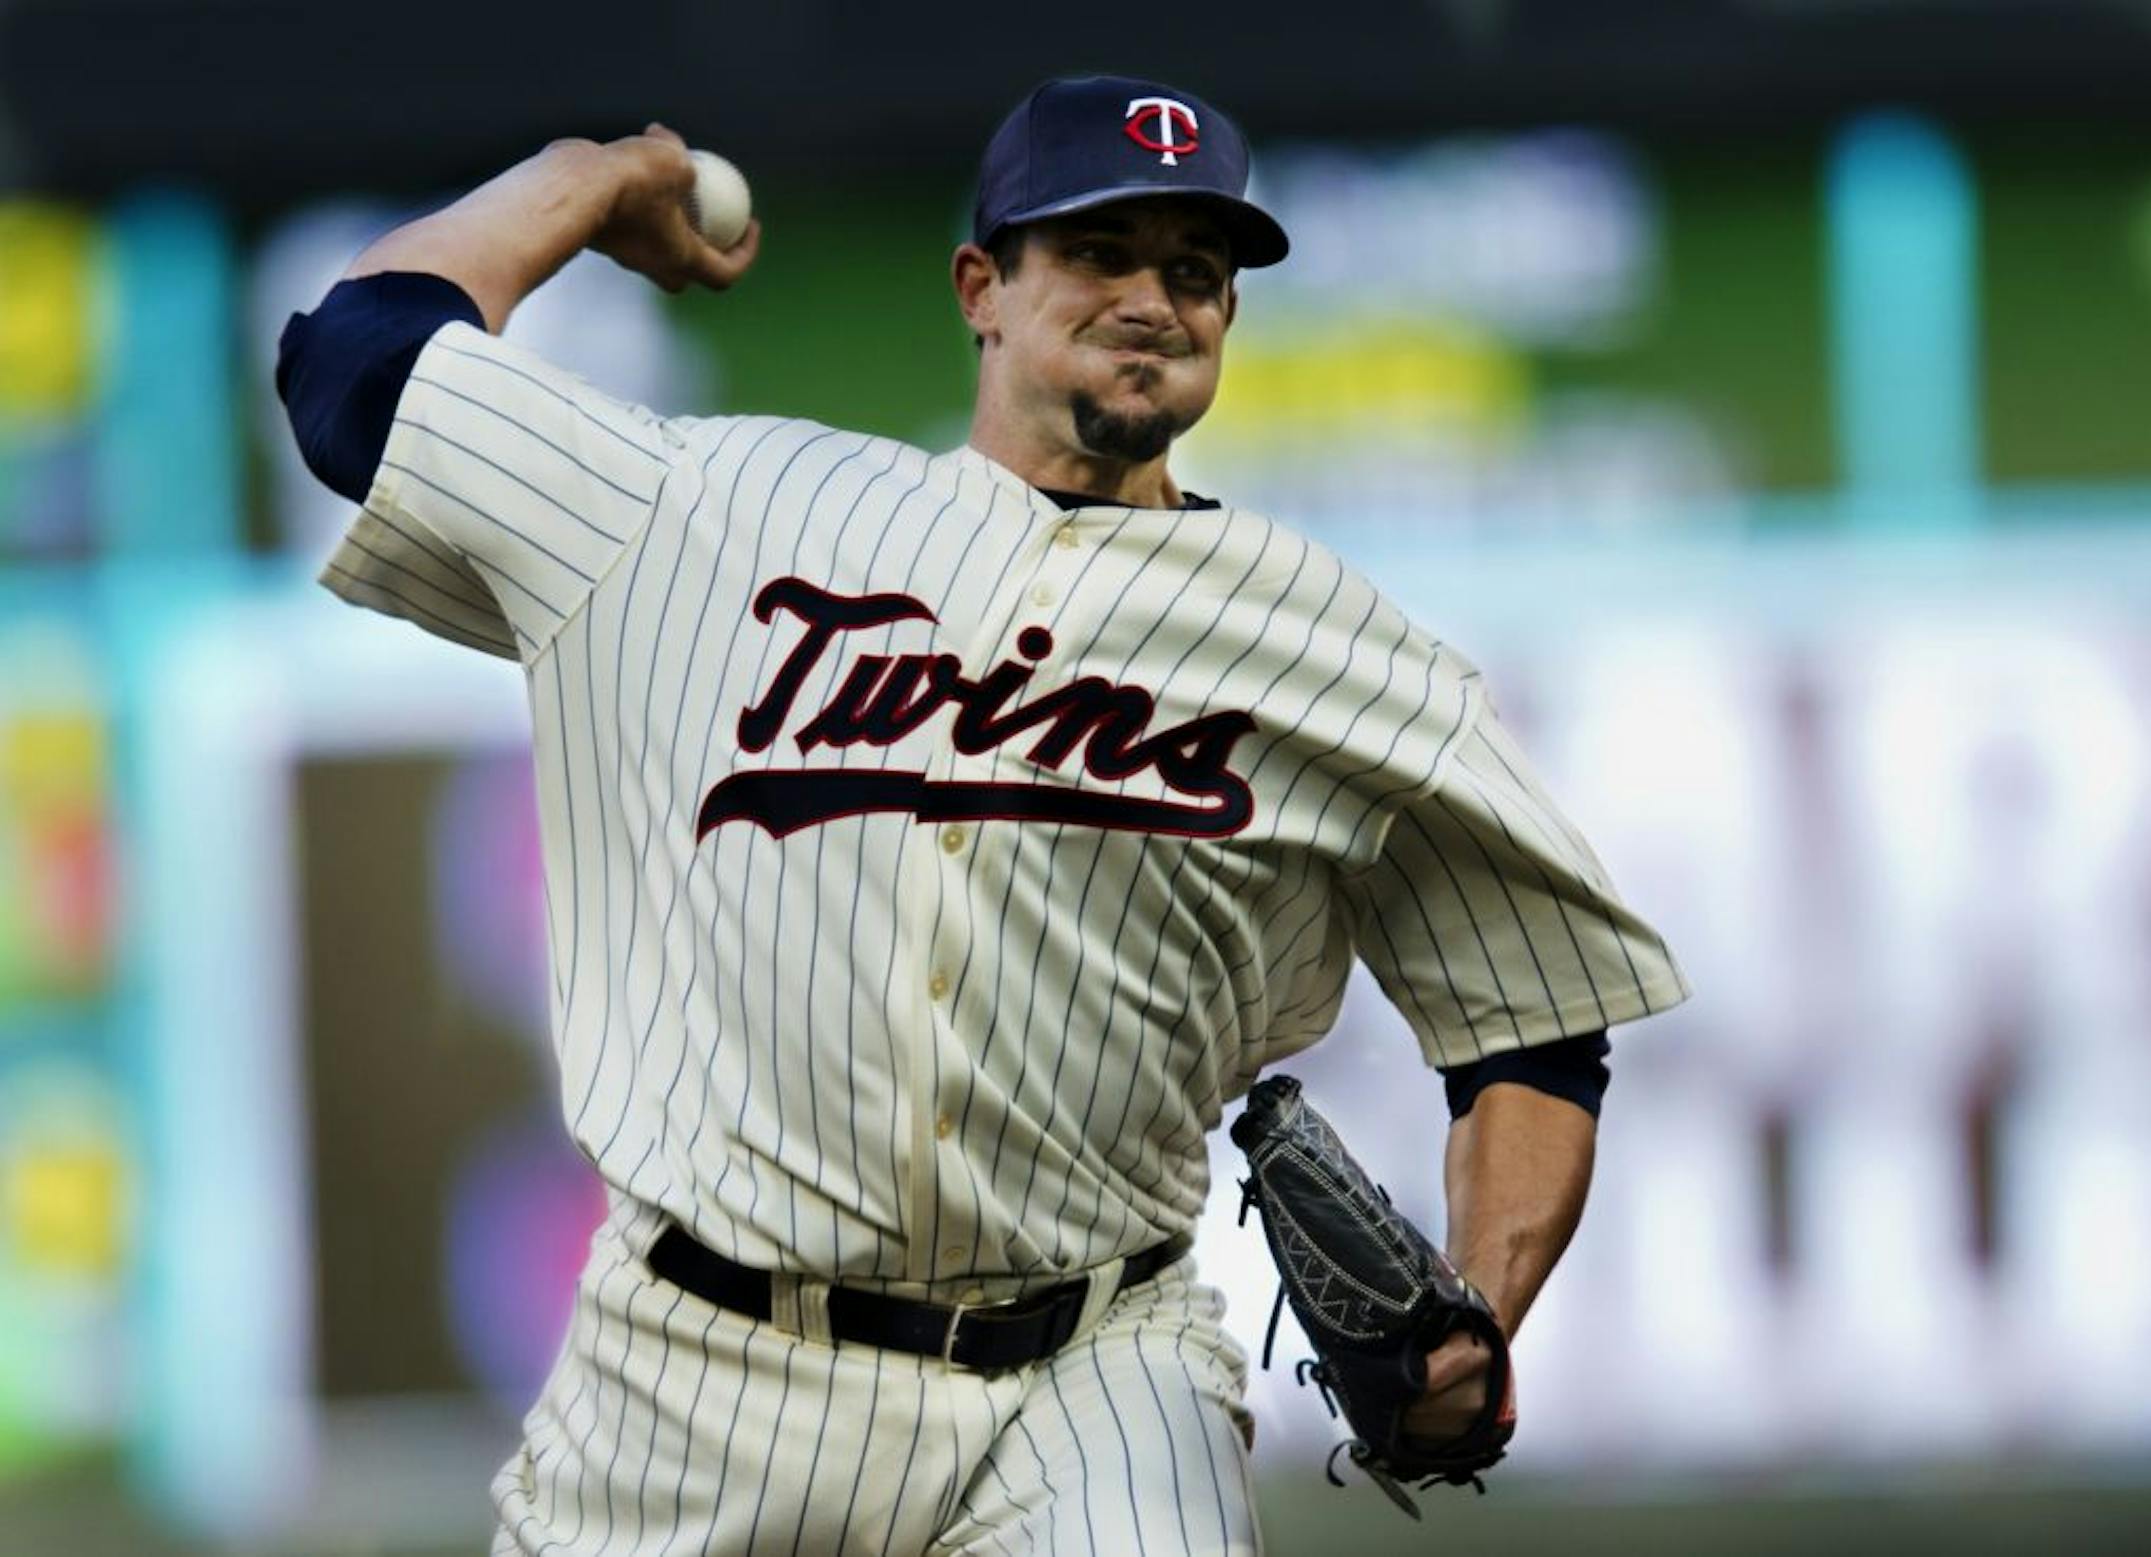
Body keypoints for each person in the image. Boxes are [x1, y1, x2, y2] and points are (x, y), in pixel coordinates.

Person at [277, 74, 1686, 1555]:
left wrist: (1479, 1309)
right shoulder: (707, 507)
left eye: (1193, 271)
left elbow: (1533, 1025)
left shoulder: (1340, 645)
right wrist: (581, 182)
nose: (1152, 297)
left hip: (1097, 1372)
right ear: (983, 289)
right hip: (699, 1374)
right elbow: (351, 372)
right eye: (1097, 250)